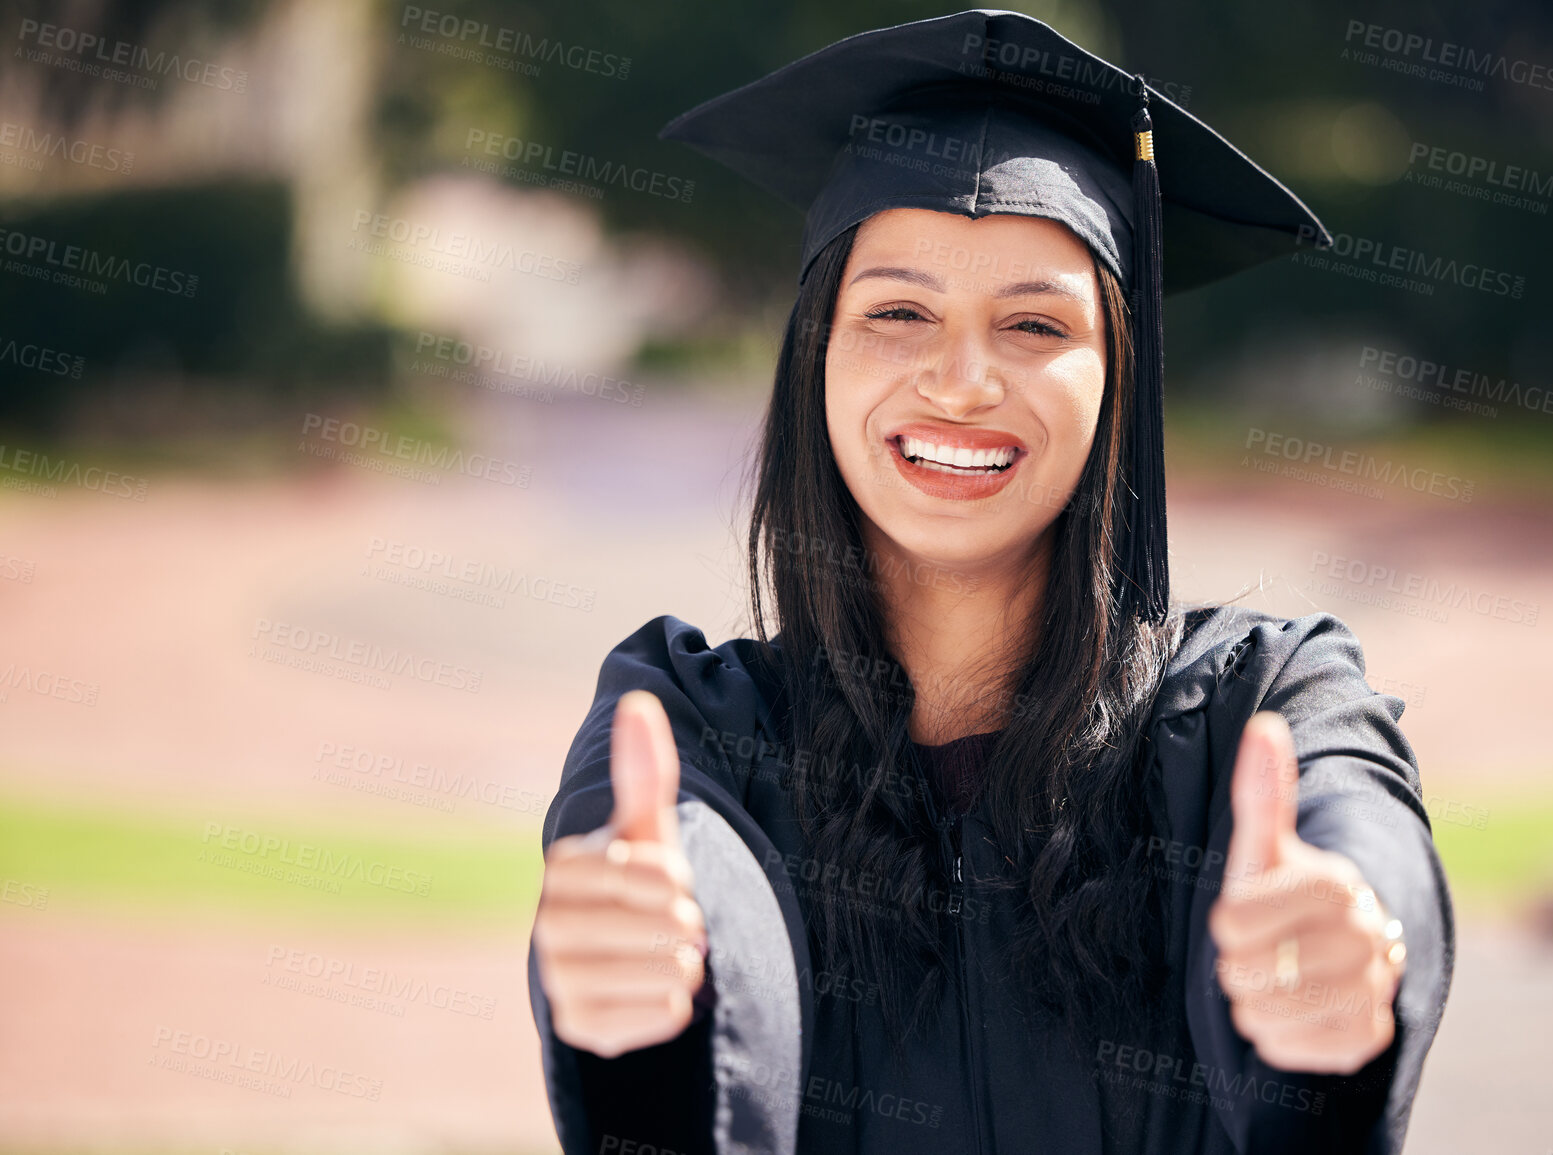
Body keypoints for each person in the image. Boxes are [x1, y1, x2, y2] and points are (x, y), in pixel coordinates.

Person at [528, 10, 1454, 1154]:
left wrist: (1353, 937)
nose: (961, 382)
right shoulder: (691, 727)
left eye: (1033, 323)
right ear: (817, 350)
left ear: (1120, 379)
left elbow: (1354, 820)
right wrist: (652, 998)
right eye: (899, 313)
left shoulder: (1257, 706)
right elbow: (689, 886)